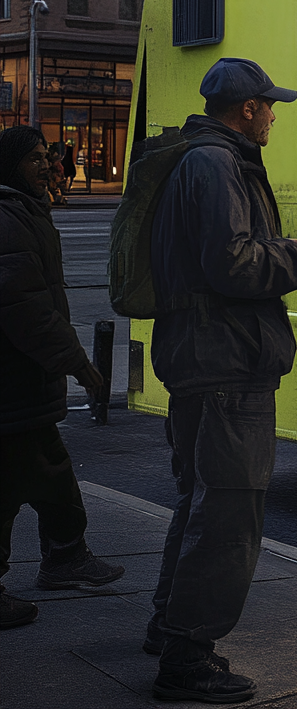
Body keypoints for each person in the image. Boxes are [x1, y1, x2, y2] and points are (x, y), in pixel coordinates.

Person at [145, 58, 297, 704]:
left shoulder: (205, 158)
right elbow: (231, 263)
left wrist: (284, 248)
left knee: (202, 500)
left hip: (204, 355)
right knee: (229, 511)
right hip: (224, 362)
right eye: (270, 105)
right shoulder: (218, 163)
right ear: (249, 110)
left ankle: (167, 625)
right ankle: (186, 658)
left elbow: (223, 252)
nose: (274, 115)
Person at [0, 126, 124, 631]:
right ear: (11, 165)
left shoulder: (25, 210)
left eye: (48, 157)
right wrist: (77, 360)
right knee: (13, 482)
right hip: (12, 381)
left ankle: (66, 556)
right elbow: (24, 306)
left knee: (48, 470)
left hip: (22, 383)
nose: (48, 167)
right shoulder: (8, 218)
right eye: (35, 159)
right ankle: (64, 558)